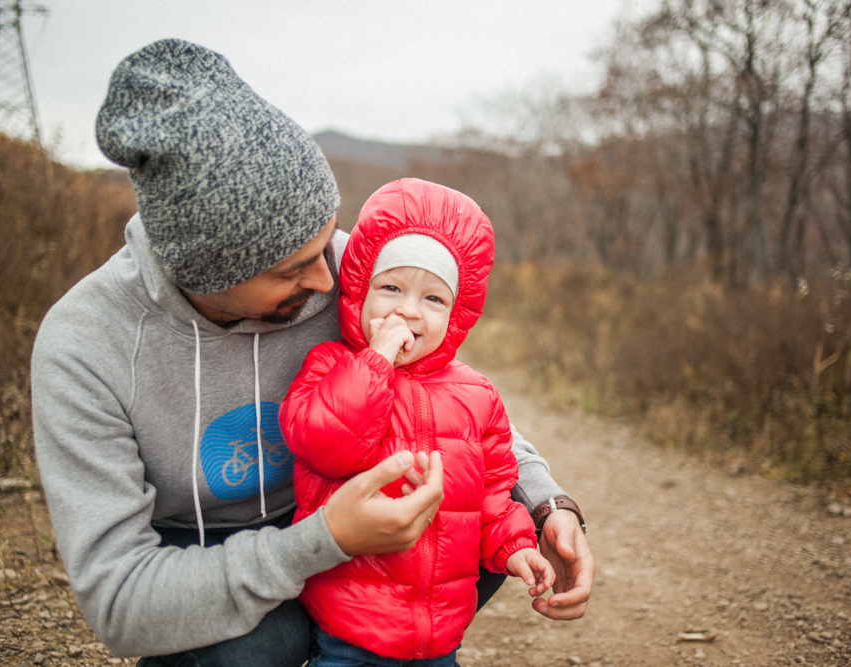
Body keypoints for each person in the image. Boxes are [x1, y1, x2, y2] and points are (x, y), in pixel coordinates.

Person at [30, 38, 593, 666]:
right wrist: (321, 542)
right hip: (215, 555)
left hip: (357, 542)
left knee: (487, 499)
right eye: (295, 269)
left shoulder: (353, 275)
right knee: (238, 654)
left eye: (327, 245)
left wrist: (549, 504)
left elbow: (453, 404)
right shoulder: (85, 345)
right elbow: (120, 600)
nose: (329, 284)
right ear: (207, 272)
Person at [281, 178, 556, 666]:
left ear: (455, 316)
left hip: (440, 633)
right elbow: (324, 444)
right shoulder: (330, 366)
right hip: (352, 627)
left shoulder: (476, 394)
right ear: (359, 295)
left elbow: (494, 488)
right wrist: (377, 360)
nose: (408, 310)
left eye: (433, 299)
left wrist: (515, 546)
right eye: (390, 289)